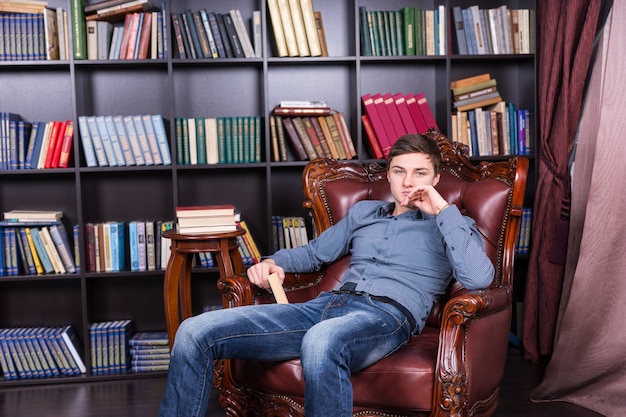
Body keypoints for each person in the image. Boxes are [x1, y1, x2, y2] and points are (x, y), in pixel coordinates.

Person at [158, 133, 494, 417]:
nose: (408, 182)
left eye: (420, 173)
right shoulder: (364, 213)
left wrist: (443, 210)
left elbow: (479, 278)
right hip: (325, 306)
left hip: (387, 316)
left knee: (321, 342)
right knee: (194, 330)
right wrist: (275, 262)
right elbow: (316, 253)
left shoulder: (454, 225)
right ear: (387, 175)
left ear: (435, 179)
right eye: (399, 171)